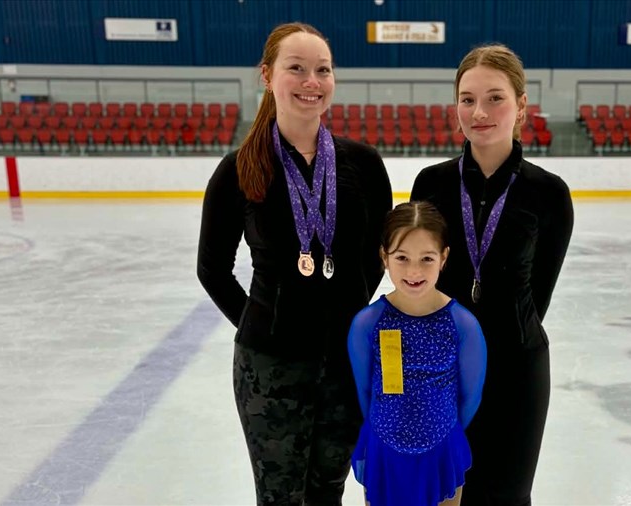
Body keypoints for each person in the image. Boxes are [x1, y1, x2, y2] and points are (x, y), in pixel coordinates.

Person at [196, 22, 393, 505]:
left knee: (327, 489)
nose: (312, 82)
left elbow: (378, 254)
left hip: (347, 361)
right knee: (279, 494)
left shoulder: (364, 164)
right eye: (297, 68)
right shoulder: (240, 167)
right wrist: (262, 323)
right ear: (267, 75)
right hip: (270, 367)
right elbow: (212, 269)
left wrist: (346, 310)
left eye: (322, 70)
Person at [411, 44, 573, 506]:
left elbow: (536, 296)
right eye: (467, 99)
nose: (479, 112)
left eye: (495, 98)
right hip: (439, 368)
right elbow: (418, 278)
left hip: (516, 372)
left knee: (505, 496)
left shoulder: (549, 194)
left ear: (522, 105)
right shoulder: (431, 184)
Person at [347, 201, 487, 506]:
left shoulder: (462, 325)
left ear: (444, 258)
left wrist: (437, 430)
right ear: (384, 257)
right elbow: (364, 392)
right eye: (402, 257)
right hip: (384, 453)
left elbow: (470, 396)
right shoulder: (367, 324)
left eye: (426, 258)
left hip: (442, 453)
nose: (414, 270)